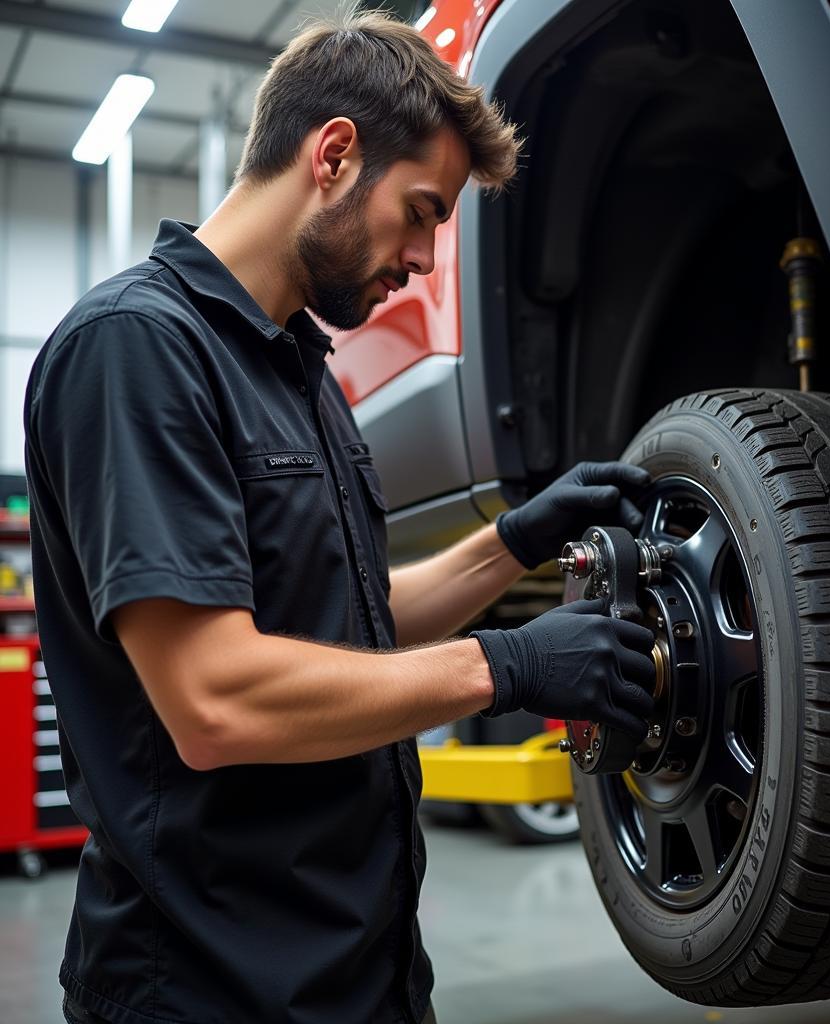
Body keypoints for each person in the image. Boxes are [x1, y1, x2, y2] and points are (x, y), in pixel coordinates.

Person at [25, 11, 655, 1024]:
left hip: (362, 971)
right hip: (207, 985)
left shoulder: (305, 377)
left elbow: (350, 614)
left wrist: (513, 540)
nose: (420, 259)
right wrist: (511, 665)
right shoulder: (135, 350)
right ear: (332, 155)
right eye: (418, 213)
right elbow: (213, 698)